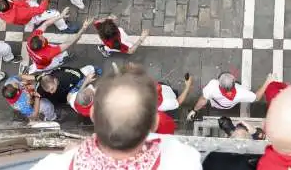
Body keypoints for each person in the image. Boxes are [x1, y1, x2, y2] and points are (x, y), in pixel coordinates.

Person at [31, 65, 203, 169]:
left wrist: (70, 154)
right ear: (153, 122)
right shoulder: (184, 159)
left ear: (93, 114)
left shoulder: (54, 165)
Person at [25, 16, 91, 73]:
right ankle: (62, 60)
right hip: (48, 63)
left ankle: (29, 70)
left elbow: (45, 24)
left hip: (37, 60)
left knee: (37, 66)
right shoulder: (48, 53)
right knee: (58, 60)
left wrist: (61, 16)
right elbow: (69, 43)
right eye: (43, 39)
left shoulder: (31, 40)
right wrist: (83, 29)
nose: (42, 36)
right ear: (42, 45)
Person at [186, 72, 257, 119]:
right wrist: (267, 82)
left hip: (215, 104)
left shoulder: (213, 85)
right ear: (234, 81)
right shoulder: (241, 92)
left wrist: (194, 110)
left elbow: (203, 100)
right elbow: (256, 98)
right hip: (229, 106)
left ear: (219, 83)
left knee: (205, 94)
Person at [30, 65, 99, 107]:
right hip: (64, 95)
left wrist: (85, 81)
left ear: (55, 80)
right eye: (48, 91)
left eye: (52, 89)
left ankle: (93, 68)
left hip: (74, 84)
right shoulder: (42, 86)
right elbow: (36, 79)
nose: (51, 92)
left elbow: (79, 75)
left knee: (85, 71)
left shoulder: (66, 77)